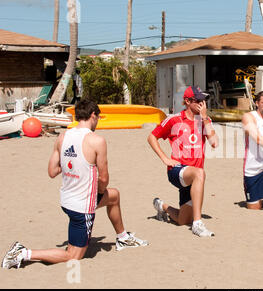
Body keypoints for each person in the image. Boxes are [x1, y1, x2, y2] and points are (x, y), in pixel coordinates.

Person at [2, 99, 148, 269]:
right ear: (93, 115)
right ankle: (23, 253)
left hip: (66, 200)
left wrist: (73, 164)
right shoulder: (97, 141)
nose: (97, 122)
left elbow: (52, 171)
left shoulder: (63, 137)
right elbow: (103, 179)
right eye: (98, 118)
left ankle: (122, 238)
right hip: (81, 206)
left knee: (113, 196)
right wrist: (96, 193)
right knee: (74, 256)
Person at [148, 86, 218, 237]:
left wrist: (205, 118)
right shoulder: (174, 119)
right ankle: (198, 224)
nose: (202, 104)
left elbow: (214, 143)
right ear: (187, 101)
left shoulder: (205, 120)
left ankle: (162, 206)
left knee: (182, 220)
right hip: (177, 170)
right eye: (198, 100)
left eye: (203, 100)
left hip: (193, 178)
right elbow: (152, 137)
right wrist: (165, 158)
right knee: (200, 173)